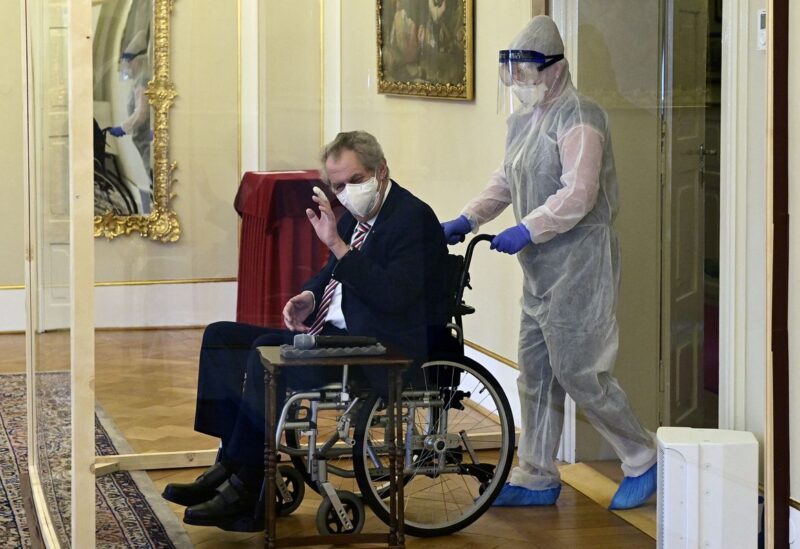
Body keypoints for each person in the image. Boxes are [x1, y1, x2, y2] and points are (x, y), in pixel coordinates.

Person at [162, 130, 450, 530]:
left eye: (354, 181)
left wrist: (338, 246)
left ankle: (246, 487)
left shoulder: (412, 218)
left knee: (264, 348)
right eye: (336, 185)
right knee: (220, 336)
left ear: (381, 171)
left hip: (382, 348)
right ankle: (228, 463)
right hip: (340, 335)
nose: (346, 192)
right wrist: (310, 297)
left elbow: (393, 296)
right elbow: (330, 273)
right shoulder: (359, 217)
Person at [440, 15, 657, 510]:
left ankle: (642, 455)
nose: (519, 83)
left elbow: (579, 194)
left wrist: (527, 228)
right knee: (534, 371)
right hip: (540, 268)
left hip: (580, 262)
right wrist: (466, 219)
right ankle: (537, 474)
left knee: (580, 370)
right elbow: (506, 180)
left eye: (526, 73)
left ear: (553, 69)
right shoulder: (525, 121)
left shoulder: (582, 117)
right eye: (512, 74)